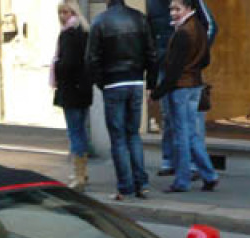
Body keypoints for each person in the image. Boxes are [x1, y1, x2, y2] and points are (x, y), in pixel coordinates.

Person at [87, 0, 156, 200]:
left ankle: (125, 187)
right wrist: (150, 83)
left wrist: (102, 82)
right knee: (133, 134)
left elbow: (91, 59)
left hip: (113, 83)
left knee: (118, 138)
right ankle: (141, 184)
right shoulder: (139, 18)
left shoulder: (100, 21)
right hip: (135, 81)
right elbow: (151, 54)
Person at [152, 0, 218, 192]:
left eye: (177, 9)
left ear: (188, 9)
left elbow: (173, 70)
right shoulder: (197, 27)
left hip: (181, 88)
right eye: (171, 9)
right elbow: (206, 59)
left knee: (182, 136)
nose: (172, 13)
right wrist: (194, 69)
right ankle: (209, 174)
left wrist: (158, 92)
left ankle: (182, 181)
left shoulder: (183, 33)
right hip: (194, 85)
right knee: (192, 134)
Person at [52, 1, 92, 190]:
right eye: (60, 12)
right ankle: (82, 172)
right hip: (83, 90)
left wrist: (56, 65)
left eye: (65, 12)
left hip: (71, 90)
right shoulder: (84, 31)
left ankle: (79, 176)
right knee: (81, 131)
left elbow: (67, 64)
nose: (62, 16)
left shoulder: (68, 34)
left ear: (73, 12)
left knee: (75, 132)